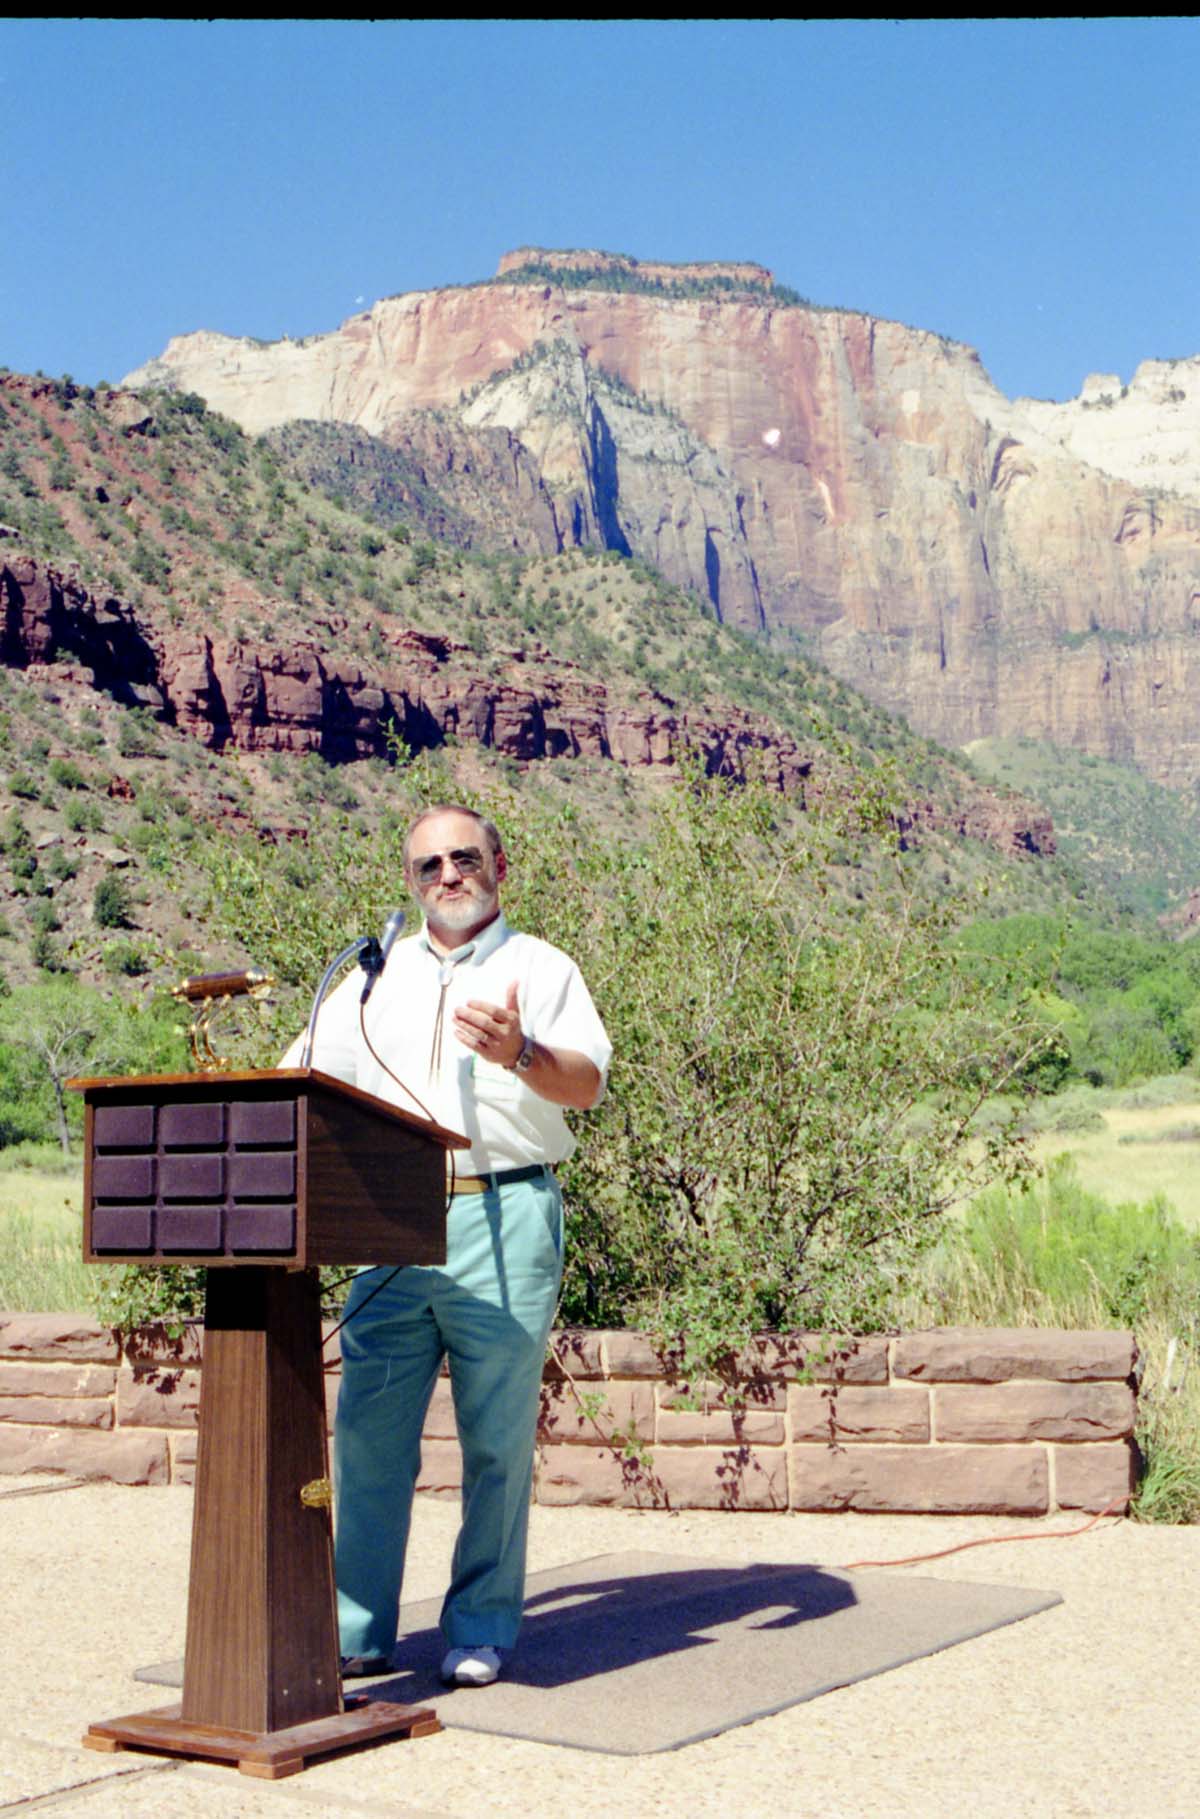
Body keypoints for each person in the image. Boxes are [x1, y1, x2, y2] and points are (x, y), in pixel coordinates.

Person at [283, 804, 611, 1688]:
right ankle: (356, 1628)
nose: (448, 875)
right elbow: (299, 1077)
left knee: (496, 1439)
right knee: (367, 1434)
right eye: (428, 865)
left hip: (502, 1214)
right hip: (386, 1228)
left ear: (501, 862)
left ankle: (479, 1625)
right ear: (410, 881)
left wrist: (520, 1051)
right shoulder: (371, 980)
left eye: (464, 857)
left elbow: (585, 1084)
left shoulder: (540, 967)